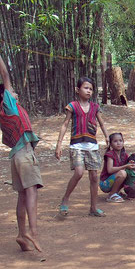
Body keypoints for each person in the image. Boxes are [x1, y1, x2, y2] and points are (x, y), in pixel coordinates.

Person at [0, 37, 42, 252]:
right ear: (4, 95)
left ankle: (21, 235)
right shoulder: (8, 104)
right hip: (24, 156)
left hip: (16, 157)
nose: (15, 92)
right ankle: (33, 231)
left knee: (22, 195)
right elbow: (5, 75)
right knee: (31, 193)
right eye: (11, 91)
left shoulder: (4, 112)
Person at [55, 77, 109, 217]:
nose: (88, 91)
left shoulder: (95, 107)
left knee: (94, 176)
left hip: (92, 145)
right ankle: (65, 199)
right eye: (86, 88)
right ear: (77, 90)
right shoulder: (72, 106)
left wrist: (107, 136)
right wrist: (59, 144)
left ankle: (93, 207)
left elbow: (102, 124)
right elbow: (65, 124)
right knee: (79, 172)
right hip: (77, 145)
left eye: (91, 89)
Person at [99, 132, 135, 203]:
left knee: (129, 173)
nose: (118, 143)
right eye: (115, 141)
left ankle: (116, 192)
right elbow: (110, 170)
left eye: (120, 141)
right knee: (122, 173)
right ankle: (112, 195)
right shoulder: (110, 154)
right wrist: (125, 166)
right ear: (111, 144)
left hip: (113, 179)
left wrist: (132, 164)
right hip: (105, 183)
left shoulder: (124, 155)